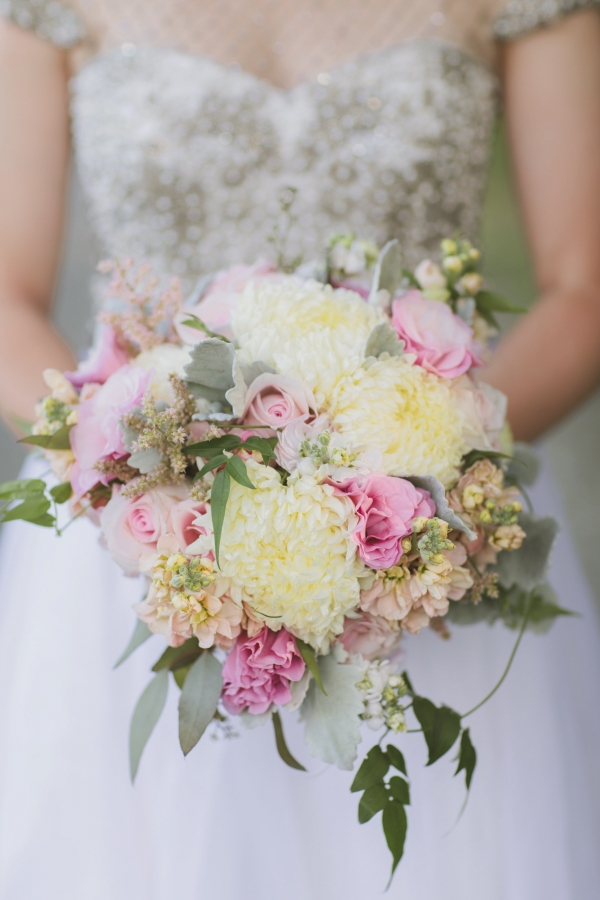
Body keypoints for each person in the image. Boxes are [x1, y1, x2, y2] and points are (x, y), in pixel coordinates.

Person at [0, 1, 599, 897]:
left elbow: (584, 285)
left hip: (440, 546)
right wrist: (137, 473)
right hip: (143, 553)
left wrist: (415, 483)